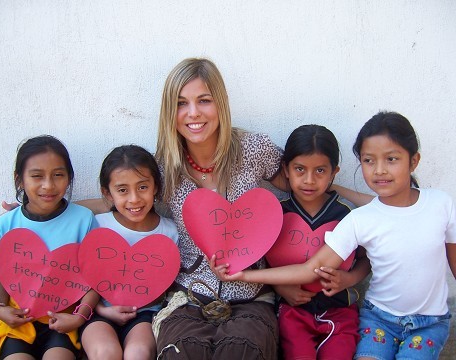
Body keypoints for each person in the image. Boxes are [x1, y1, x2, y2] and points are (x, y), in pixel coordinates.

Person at [212, 111, 456, 360]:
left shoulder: (437, 205)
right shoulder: (357, 219)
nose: (380, 170)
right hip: (367, 318)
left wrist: (349, 279)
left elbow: (389, 227)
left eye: (391, 159)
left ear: (413, 161)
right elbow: (308, 266)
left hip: (406, 319)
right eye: (369, 161)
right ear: (286, 169)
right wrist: (251, 277)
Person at [150, 57, 291, 360]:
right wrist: (48, 205)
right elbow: (125, 200)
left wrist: (371, 197)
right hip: (189, 295)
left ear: (221, 103)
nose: (193, 113)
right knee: (182, 353)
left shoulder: (252, 148)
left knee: (240, 352)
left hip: (252, 295)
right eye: (181, 103)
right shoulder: (164, 166)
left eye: (204, 100)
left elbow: (305, 188)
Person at [0, 135, 99, 360]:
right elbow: (0, 278)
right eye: (37, 176)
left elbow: (94, 280)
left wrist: (79, 316)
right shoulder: (7, 224)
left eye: (58, 175)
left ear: (69, 178)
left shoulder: (84, 220)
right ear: (20, 180)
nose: (48, 185)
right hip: (20, 319)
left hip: (63, 317)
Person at [272, 124, 370, 359]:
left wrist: (350, 278)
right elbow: (260, 260)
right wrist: (278, 287)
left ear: (334, 172)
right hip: (292, 310)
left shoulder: (347, 214)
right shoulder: (276, 215)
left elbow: (367, 259)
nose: (309, 180)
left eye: (320, 171)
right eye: (299, 169)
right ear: (286, 169)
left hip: (340, 310)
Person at [79, 145, 178, 360]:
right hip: (98, 312)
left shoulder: (170, 232)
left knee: (138, 353)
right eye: (122, 190)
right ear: (108, 193)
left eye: (142, 187)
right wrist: (102, 310)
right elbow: (82, 277)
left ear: (156, 187)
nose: (134, 199)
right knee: (105, 352)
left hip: (144, 314)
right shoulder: (97, 226)